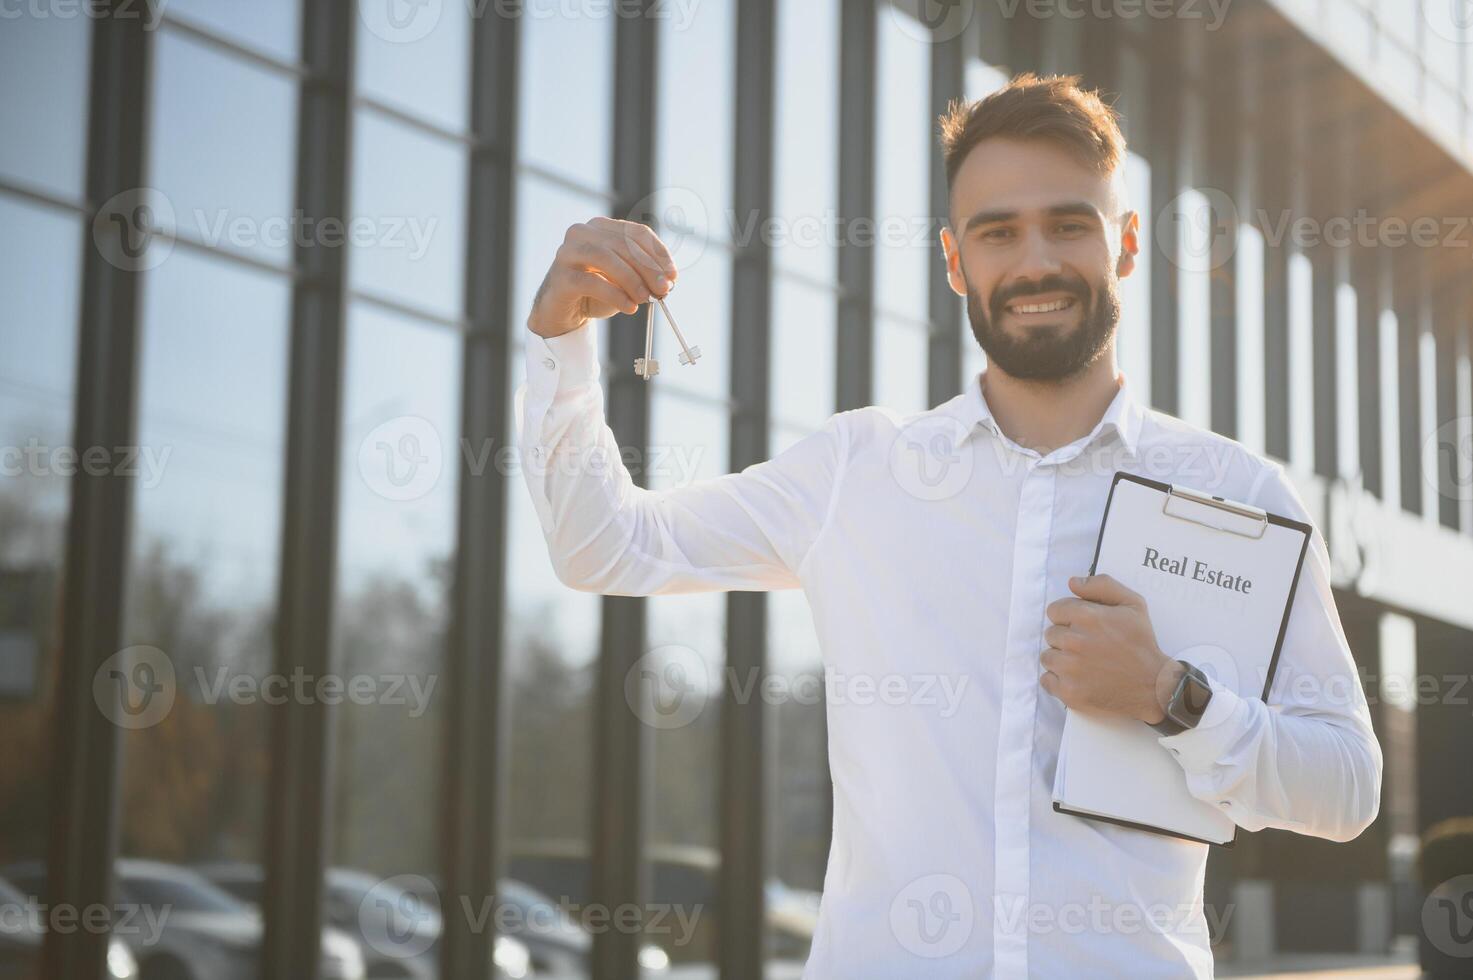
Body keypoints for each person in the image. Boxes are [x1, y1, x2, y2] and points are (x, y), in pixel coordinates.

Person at [515, 72, 1382, 978]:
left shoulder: (1232, 491)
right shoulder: (857, 471)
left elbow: (1346, 787)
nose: (1034, 261)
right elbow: (603, 545)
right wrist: (558, 341)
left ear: (1124, 244)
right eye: (997, 231)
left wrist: (1172, 696)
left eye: (1069, 223)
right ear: (954, 260)